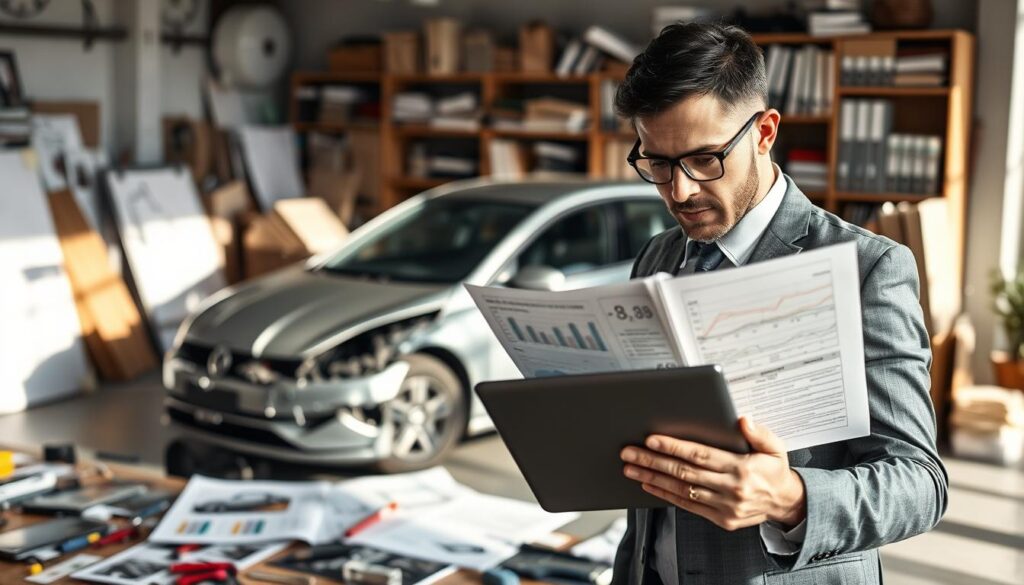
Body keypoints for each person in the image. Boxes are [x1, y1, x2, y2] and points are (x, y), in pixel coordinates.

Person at [610, 22, 947, 585]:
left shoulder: (868, 269)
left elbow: (920, 484)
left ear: (764, 133)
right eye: (658, 163)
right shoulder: (656, 258)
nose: (680, 191)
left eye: (704, 159)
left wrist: (790, 497)